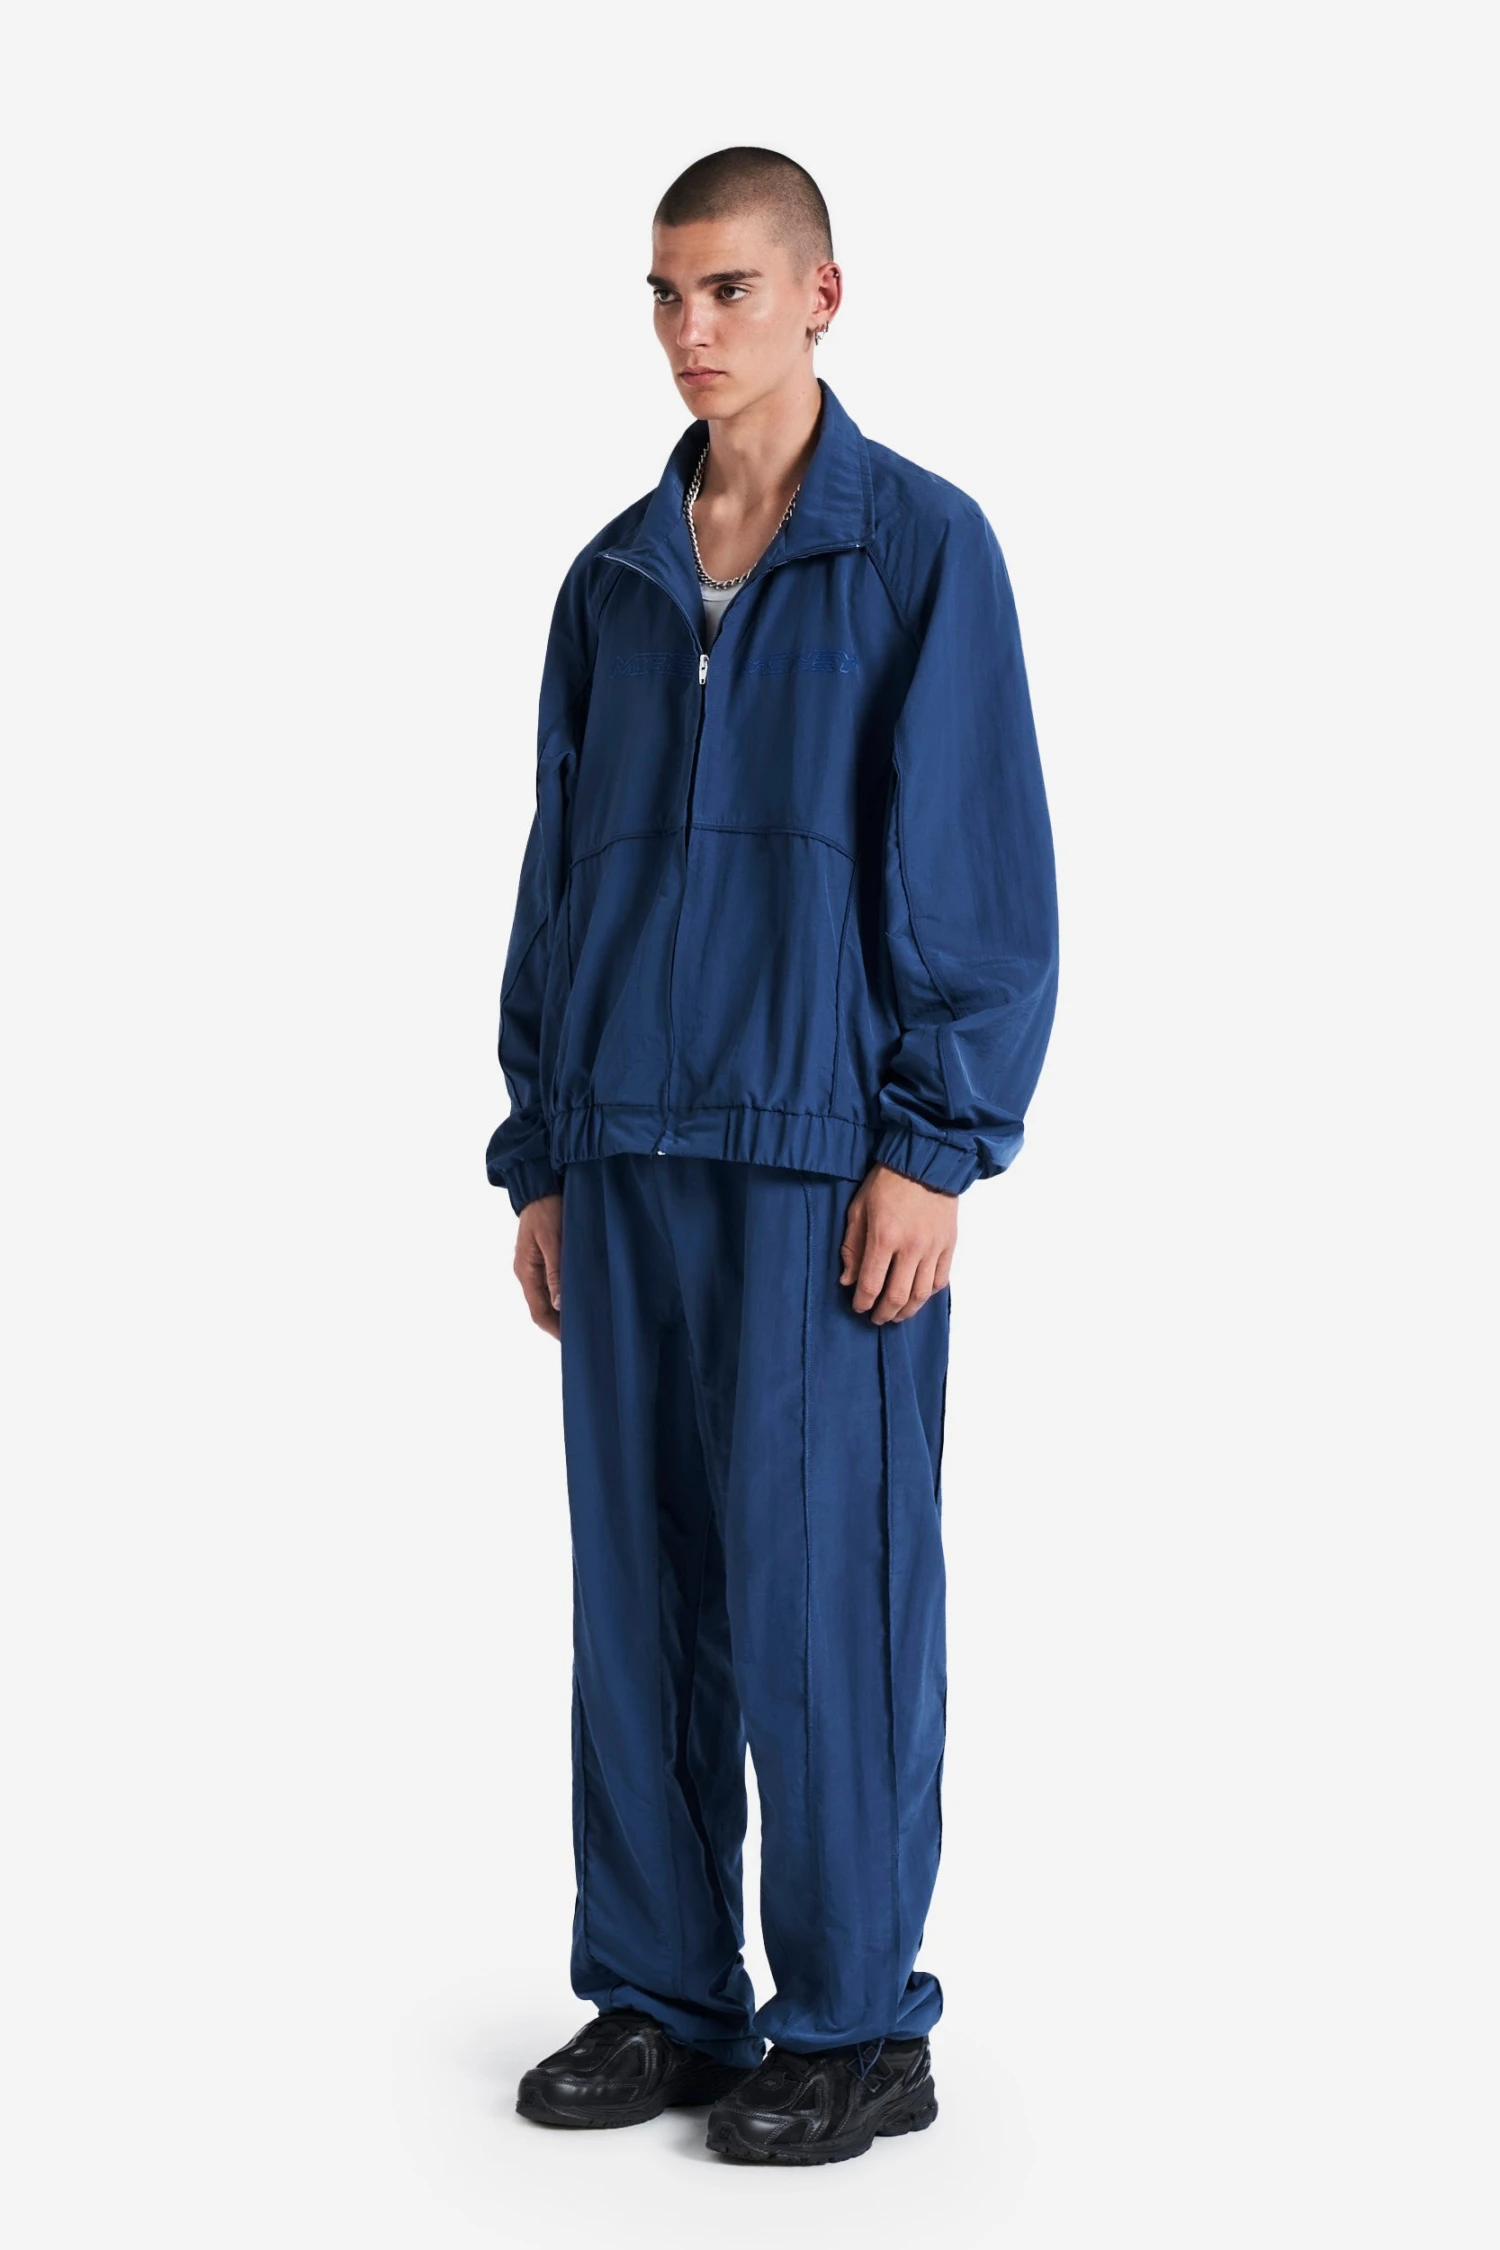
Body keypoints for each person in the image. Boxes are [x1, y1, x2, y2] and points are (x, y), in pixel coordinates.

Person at [486, 146, 1059, 2166]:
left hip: (823, 1158)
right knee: (640, 1594)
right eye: (664, 293)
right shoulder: (614, 581)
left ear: (822, 293)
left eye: (727, 288)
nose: (689, 329)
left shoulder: (917, 551)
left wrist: (934, 1145)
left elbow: (976, 862)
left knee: (829, 1592)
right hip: (627, 1145)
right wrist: (541, 1146)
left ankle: (854, 2022)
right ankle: (664, 1991)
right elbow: (560, 877)